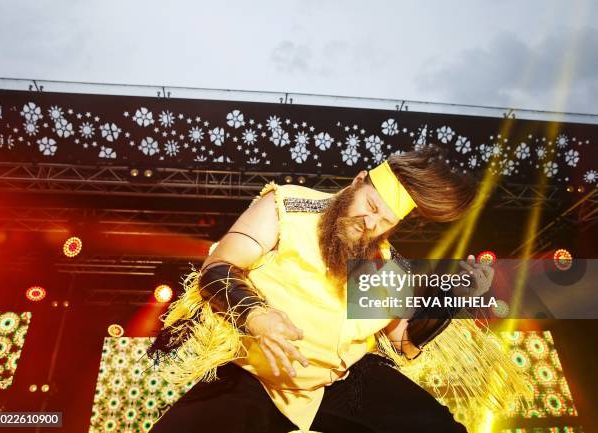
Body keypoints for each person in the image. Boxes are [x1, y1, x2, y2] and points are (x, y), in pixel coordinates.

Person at [147, 150, 526, 433]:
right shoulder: (288, 207)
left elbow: (405, 342)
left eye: (384, 221)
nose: (369, 222)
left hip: (339, 384)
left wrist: (457, 296)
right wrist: (258, 316)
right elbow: (219, 268)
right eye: (370, 205)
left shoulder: (383, 267)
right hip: (254, 375)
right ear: (358, 181)